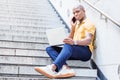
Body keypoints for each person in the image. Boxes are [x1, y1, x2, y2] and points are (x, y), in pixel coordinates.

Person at [34, 4, 96, 79]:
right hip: (75, 50)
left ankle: (53, 67)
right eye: (74, 13)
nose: (75, 14)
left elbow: (88, 40)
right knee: (50, 48)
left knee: (68, 45)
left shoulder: (88, 23)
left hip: (85, 52)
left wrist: (74, 42)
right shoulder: (76, 25)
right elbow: (69, 39)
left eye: (77, 11)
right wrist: (73, 28)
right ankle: (65, 68)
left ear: (84, 11)